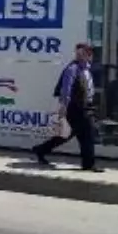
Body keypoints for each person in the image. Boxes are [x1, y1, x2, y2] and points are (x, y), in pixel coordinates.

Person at [32, 43, 102, 172]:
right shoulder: (73, 69)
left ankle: (41, 149)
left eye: (82, 54)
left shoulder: (87, 70)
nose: (79, 56)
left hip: (86, 107)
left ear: (89, 56)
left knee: (66, 135)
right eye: (77, 54)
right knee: (87, 135)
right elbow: (66, 89)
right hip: (75, 108)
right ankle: (88, 165)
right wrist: (64, 106)